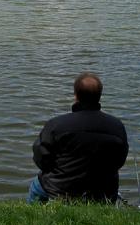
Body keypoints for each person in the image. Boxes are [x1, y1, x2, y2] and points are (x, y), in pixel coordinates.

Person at [28, 73, 129, 204]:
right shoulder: (117, 126)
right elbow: (119, 161)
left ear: (75, 95)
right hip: (103, 192)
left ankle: (33, 213)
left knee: (36, 186)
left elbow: (40, 158)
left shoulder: (56, 125)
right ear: (99, 96)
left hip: (58, 190)